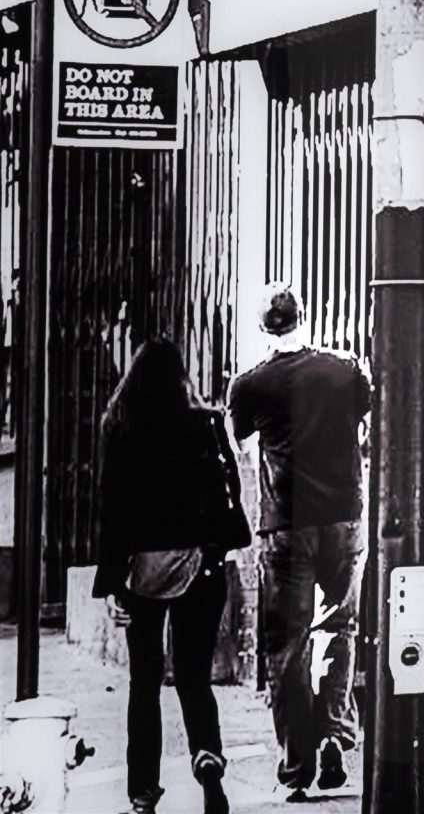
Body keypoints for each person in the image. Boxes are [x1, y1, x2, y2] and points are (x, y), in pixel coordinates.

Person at [94, 339, 250, 814]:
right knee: (193, 677)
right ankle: (207, 757)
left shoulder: (120, 427)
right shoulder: (205, 423)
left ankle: (143, 792)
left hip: (144, 571)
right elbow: (232, 489)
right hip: (201, 565)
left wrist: (112, 584)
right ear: (182, 376)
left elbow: (113, 510)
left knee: (144, 683)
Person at [228, 284, 371, 801]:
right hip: (344, 518)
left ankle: (296, 765)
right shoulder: (345, 370)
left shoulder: (251, 386)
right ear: (304, 318)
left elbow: (239, 445)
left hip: (286, 524)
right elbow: (365, 418)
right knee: (338, 626)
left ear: (263, 328)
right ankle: (335, 733)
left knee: (286, 646)